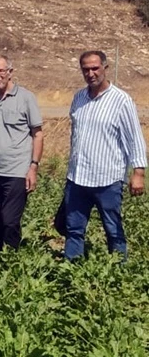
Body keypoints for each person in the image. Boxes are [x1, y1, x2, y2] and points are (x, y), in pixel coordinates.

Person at [63, 50, 146, 260]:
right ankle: (71, 269)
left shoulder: (121, 100)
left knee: (113, 229)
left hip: (107, 179)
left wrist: (138, 173)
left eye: (95, 68)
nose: (90, 74)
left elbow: (134, 137)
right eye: (86, 69)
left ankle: (119, 271)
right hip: (78, 178)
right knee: (73, 229)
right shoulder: (79, 98)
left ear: (105, 68)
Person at [0, 55, 43, 251]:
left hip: (17, 171)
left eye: (1, 70)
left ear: (10, 72)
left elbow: (37, 134)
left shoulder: (26, 98)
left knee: (10, 221)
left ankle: (11, 259)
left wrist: (33, 167)